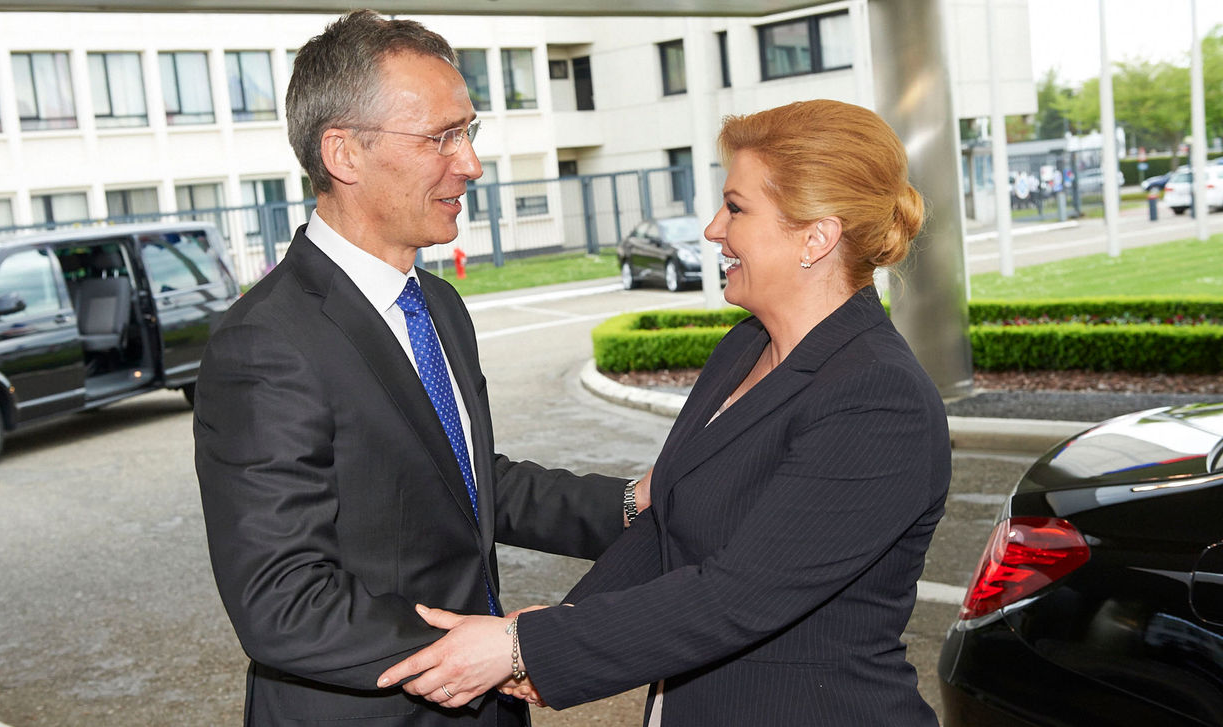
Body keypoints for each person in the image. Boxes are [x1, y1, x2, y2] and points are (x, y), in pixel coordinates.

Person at [377, 99, 952, 726]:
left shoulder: (878, 398)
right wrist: (548, 635)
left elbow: (739, 595)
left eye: (736, 207)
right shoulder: (745, 346)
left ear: (816, 235)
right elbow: (667, 524)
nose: (712, 229)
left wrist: (520, 650)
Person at [194, 11, 644, 727]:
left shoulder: (435, 302)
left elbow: (463, 482)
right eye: (441, 137)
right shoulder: (267, 343)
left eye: (469, 132)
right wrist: (501, 650)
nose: (469, 163)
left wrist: (627, 506)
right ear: (343, 153)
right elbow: (282, 600)